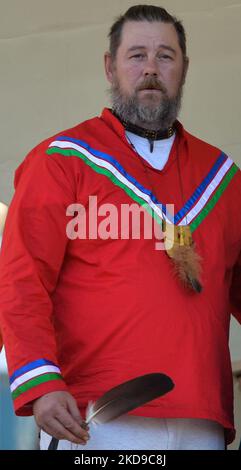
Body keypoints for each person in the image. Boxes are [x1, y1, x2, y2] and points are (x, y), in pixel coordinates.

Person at [0, 4, 240, 451]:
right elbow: (21, 279)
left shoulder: (223, 177)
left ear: (185, 68)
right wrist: (39, 381)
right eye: (137, 55)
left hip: (202, 417)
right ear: (110, 67)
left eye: (166, 56)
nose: (151, 68)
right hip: (99, 414)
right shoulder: (62, 160)